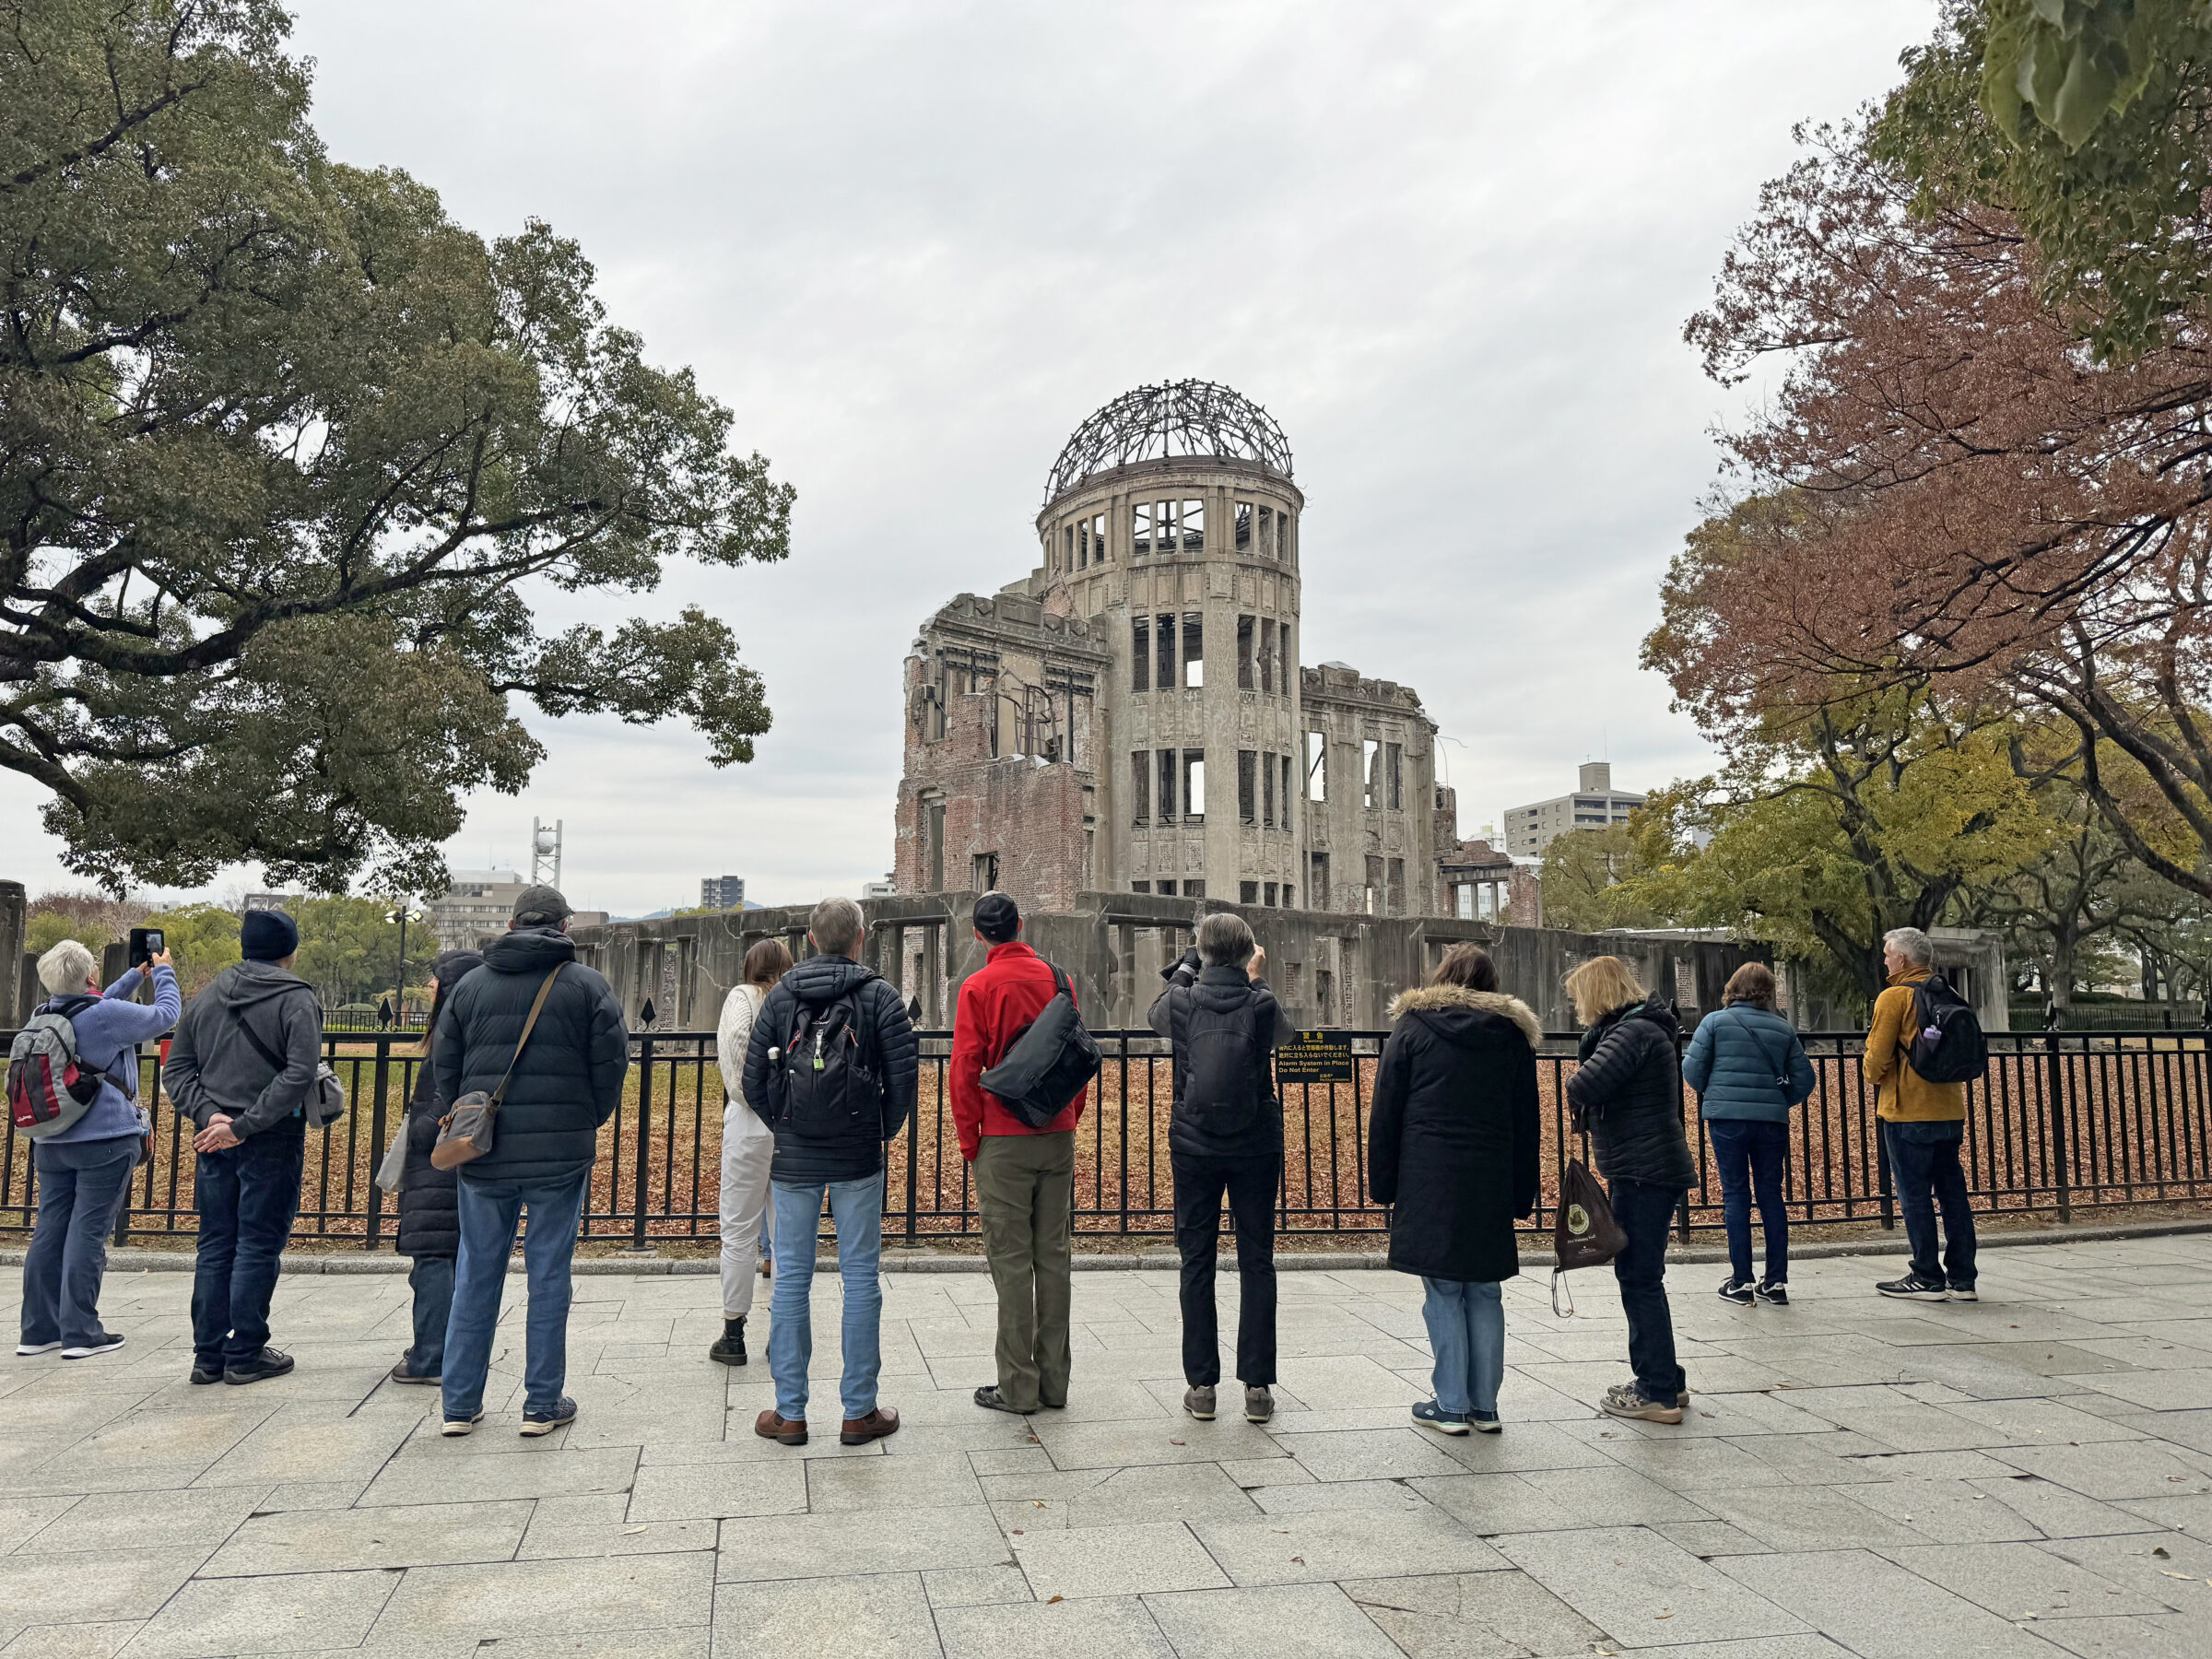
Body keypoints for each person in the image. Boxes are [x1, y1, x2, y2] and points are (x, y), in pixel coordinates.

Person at [433, 886, 628, 1437]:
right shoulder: (588, 986)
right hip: (559, 1152)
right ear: (564, 928)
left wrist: (462, 1116)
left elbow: (444, 1065)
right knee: (548, 1274)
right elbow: (611, 1062)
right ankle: (541, 1403)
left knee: (476, 1271)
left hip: (485, 1150)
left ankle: (459, 1403)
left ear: (514, 923)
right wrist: (587, 1116)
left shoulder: (470, 985)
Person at [741, 896, 918, 1448]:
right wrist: (879, 1130)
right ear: (859, 939)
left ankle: (790, 1412)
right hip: (857, 1156)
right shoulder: (879, 996)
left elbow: (753, 1080)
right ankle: (858, 1409)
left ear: (812, 940)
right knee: (860, 1278)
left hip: (794, 1158)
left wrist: (787, 1123)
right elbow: (904, 1078)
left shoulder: (782, 997)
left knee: (792, 1278)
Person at [1368, 943, 1539, 1435]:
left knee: (1442, 1287)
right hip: (1489, 1174)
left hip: (1429, 1174)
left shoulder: (1415, 1028)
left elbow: (1387, 1111)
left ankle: (1451, 1402)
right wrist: (1521, 1190)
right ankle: (1484, 1404)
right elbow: (1526, 1121)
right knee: (1484, 1289)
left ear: (1442, 977)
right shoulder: (1512, 1036)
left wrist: (1383, 1183)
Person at [165, 908, 323, 1385]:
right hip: (270, 1135)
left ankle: (207, 1353)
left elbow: (176, 1070)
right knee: (258, 1242)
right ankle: (246, 1350)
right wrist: (245, 1124)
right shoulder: (296, 1000)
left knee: (215, 1243)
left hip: (212, 1139)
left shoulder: (206, 996)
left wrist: (209, 1114)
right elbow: (299, 1073)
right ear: (288, 950)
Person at [1150, 912, 1293, 1426]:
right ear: (1246, 951)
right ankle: (1257, 1388)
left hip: (1194, 1144)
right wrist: (1257, 980)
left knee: (1197, 1261)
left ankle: (1202, 1386)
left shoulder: (1183, 1000)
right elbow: (1286, 1037)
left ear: (1202, 951)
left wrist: (1187, 967)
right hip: (1255, 1143)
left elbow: (1155, 1016)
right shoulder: (1261, 1002)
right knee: (1257, 1260)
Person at [950, 891, 1088, 1416]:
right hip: (1055, 1133)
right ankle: (1055, 1382)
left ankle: (1018, 1385)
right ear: (1021, 925)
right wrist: (1070, 1111)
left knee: (1011, 1264)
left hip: (1002, 1138)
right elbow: (1077, 1053)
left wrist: (971, 1138)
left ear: (979, 934)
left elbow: (965, 1067)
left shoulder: (978, 987)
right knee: (1053, 1258)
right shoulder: (1058, 980)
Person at [16, 938, 178, 1360]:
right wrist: (163, 972)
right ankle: (81, 1332)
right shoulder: (105, 1016)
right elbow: (166, 1015)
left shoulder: (43, 1014)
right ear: (89, 976)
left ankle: (37, 1331)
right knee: (88, 1233)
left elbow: (94, 1004)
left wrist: (132, 977)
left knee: (49, 1231)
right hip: (103, 1142)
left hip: (50, 1140)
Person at [1564, 955, 1696, 1425]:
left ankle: (1656, 1390)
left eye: (1580, 996)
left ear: (1599, 993)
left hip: (1643, 1170)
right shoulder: (1643, 1029)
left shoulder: (1632, 1032)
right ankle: (1666, 1379)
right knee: (1644, 1277)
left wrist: (1575, 1081)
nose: (1578, 1007)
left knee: (1638, 1279)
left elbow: (1586, 1082)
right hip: (1647, 1166)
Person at [1682, 962, 1815, 1308]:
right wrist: (1777, 1100)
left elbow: (1692, 1070)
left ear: (1733, 988)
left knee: (1735, 1193)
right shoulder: (1782, 1028)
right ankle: (1775, 1281)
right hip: (1771, 1121)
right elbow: (1805, 1079)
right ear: (1768, 992)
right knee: (1771, 1194)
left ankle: (1741, 1279)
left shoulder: (1713, 1022)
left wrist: (1715, 1092)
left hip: (1727, 1118)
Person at [1863, 926, 1976, 1301]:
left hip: (1907, 1109)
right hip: (1949, 1108)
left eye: (1888, 953)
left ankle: (1926, 1275)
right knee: (1952, 1192)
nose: (1884, 960)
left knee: (1914, 1194)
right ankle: (1963, 1278)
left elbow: (1877, 1059)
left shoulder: (1894, 997)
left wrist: (1872, 1072)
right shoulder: (1949, 993)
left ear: (1903, 959)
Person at [387, 949, 483, 1384]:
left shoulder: (450, 1035)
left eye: (436, 980)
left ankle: (431, 1356)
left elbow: (443, 1102)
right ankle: (443, 1349)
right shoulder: (475, 1030)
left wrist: (419, 1131)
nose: (430, 987)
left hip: (439, 1160)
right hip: (460, 1161)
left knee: (432, 1258)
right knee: (448, 1256)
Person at [710, 936, 794, 1365]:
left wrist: (751, 1097)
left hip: (747, 1121)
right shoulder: (794, 997)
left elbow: (735, 1048)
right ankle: (783, 1331)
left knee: (739, 1228)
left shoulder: (741, 997)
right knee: (787, 1234)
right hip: (790, 1124)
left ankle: (733, 1330)